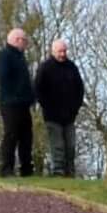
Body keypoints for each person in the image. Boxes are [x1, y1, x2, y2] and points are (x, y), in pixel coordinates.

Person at [33, 37, 86, 178]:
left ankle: (70, 172)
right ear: (53, 51)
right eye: (60, 51)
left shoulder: (72, 67)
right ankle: (58, 172)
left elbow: (80, 89)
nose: (63, 54)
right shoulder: (45, 68)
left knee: (70, 146)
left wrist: (76, 107)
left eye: (64, 51)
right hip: (52, 115)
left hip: (69, 115)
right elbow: (38, 89)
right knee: (57, 146)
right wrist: (47, 106)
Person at [0, 26, 35, 177]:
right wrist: (17, 94)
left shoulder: (21, 57)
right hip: (10, 103)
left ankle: (26, 169)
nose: (26, 44)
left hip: (23, 104)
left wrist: (31, 96)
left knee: (26, 136)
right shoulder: (5, 55)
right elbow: (4, 78)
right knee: (11, 135)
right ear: (18, 40)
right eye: (25, 41)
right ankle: (7, 169)